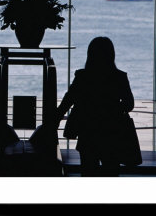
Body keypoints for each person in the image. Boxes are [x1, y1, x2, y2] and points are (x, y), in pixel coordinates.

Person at [56, 37, 134, 176]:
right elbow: (129, 104)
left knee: (88, 170)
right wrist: (112, 109)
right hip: (112, 131)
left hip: (88, 131)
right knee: (111, 171)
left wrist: (53, 121)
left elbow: (68, 101)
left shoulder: (82, 76)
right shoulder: (119, 77)